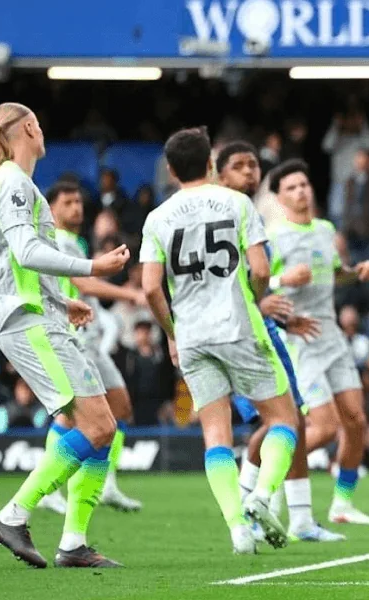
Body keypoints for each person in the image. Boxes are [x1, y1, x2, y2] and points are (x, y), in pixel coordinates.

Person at [0, 102, 130, 568]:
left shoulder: (16, 185)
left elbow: (18, 256)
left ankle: (73, 543)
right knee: (98, 427)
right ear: (29, 128)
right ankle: (13, 515)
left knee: (101, 428)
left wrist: (64, 301)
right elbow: (25, 251)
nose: (43, 134)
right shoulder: (12, 184)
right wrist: (92, 267)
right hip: (23, 317)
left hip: (38, 312)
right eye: (39, 127)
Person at [140, 127, 299, 554]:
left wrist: (172, 332)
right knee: (284, 420)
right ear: (210, 163)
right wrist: (254, 300)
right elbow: (261, 270)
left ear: (171, 170)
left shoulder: (157, 218)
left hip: (192, 336)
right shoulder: (237, 203)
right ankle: (262, 497)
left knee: (215, 433)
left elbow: (151, 288)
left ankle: (236, 528)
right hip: (238, 327)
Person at [215, 141, 344, 542]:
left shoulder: (248, 215)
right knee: (279, 420)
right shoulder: (232, 217)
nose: (250, 172)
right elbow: (237, 278)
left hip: (262, 328)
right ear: (220, 176)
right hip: (235, 332)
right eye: (240, 166)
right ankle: (250, 502)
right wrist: (276, 287)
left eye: (253, 165)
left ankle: (291, 514)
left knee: (288, 420)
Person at [265, 159, 369, 525]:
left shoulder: (326, 229)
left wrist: (354, 274)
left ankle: (342, 505)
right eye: (291, 188)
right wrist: (282, 281)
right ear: (280, 198)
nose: (300, 191)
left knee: (356, 421)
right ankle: (268, 478)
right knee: (324, 427)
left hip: (332, 335)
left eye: (304, 184)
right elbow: (254, 287)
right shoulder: (273, 237)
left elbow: (333, 276)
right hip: (300, 338)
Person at [35, 180, 145, 516]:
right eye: (67, 202)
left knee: (121, 407)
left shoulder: (76, 242)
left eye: (79, 201)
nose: (76, 208)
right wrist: (131, 294)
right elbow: (84, 283)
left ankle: (108, 484)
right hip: (73, 338)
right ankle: (48, 488)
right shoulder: (59, 241)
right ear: (51, 209)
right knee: (73, 416)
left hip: (91, 339)